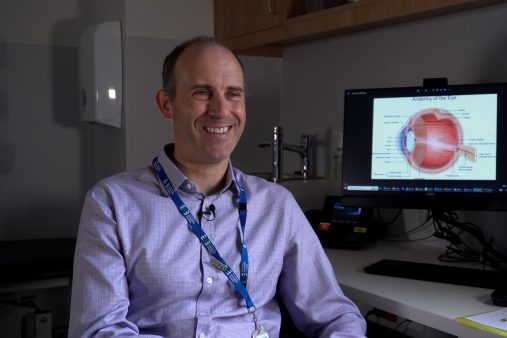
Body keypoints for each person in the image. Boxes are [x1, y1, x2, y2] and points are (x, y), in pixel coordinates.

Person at [68, 36, 367, 338]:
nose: (221, 110)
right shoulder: (112, 203)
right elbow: (98, 331)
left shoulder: (277, 206)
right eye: (202, 92)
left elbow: (336, 315)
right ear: (166, 104)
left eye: (233, 94)